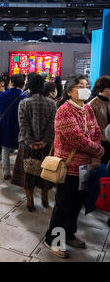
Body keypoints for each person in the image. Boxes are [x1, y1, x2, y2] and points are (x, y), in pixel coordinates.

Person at [44, 74, 104, 259]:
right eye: (80, 85)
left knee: (76, 204)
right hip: (68, 167)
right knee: (64, 206)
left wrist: (94, 153)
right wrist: (99, 151)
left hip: (84, 168)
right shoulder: (64, 110)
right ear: (69, 90)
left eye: (87, 85)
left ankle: (69, 234)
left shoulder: (87, 109)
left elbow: (96, 131)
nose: (85, 88)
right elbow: (77, 139)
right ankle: (53, 240)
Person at [13, 75, 56, 211]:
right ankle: (44, 199)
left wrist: (31, 141)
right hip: (45, 146)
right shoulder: (51, 103)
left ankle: (30, 202)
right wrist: (44, 142)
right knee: (45, 173)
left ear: (30, 86)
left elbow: (23, 125)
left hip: (27, 145)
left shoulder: (24, 103)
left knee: (28, 173)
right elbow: (52, 126)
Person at [0, 74, 27, 179]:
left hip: (5, 124)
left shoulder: (3, 95)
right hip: (19, 126)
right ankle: (19, 173)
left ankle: (6, 172)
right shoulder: (25, 97)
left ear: (11, 82)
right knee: (20, 150)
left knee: (5, 149)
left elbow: (0, 109)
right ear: (23, 84)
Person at [88, 75, 110, 164]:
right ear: (101, 88)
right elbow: (90, 128)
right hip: (101, 142)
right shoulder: (92, 104)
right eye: (109, 88)